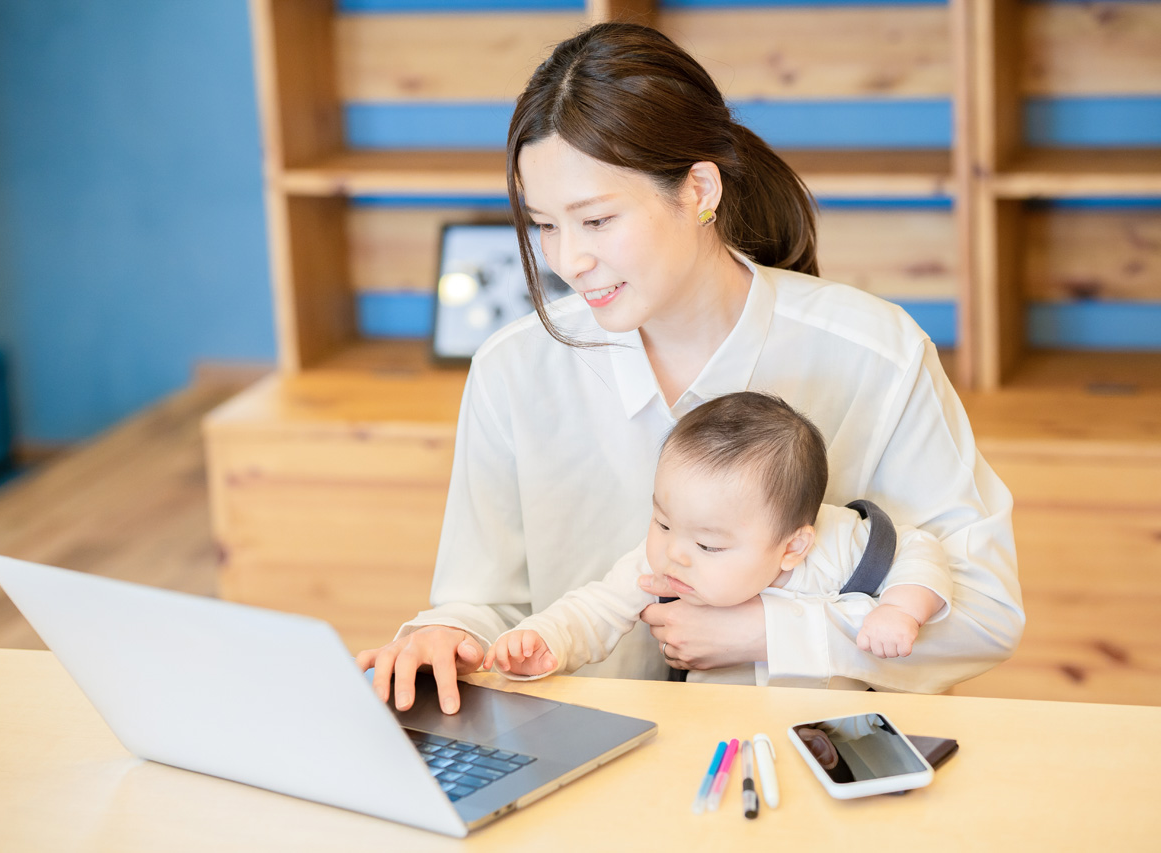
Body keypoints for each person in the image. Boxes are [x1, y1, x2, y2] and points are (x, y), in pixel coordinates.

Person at [356, 22, 1023, 715]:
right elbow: (482, 601)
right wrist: (442, 633)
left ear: (699, 190)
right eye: (544, 224)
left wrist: (769, 632)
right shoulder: (514, 368)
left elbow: (984, 610)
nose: (567, 260)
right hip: (579, 759)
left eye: (596, 220)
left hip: (792, 755)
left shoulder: (874, 352)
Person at [483, 391, 951, 682]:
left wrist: (901, 608)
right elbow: (597, 608)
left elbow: (918, 548)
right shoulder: (661, 571)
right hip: (714, 734)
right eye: (662, 523)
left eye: (708, 546)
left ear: (793, 547)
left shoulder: (838, 546)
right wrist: (545, 640)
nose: (674, 554)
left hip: (834, 732)